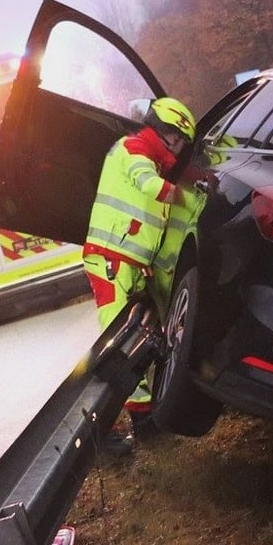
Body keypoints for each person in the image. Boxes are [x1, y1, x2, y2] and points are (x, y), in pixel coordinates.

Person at [82, 96, 197, 450]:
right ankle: (140, 423)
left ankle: (140, 418)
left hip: (129, 263)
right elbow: (146, 183)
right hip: (111, 260)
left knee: (135, 339)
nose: (178, 150)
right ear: (165, 133)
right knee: (119, 347)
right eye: (178, 140)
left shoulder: (148, 157)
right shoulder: (131, 149)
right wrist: (181, 195)